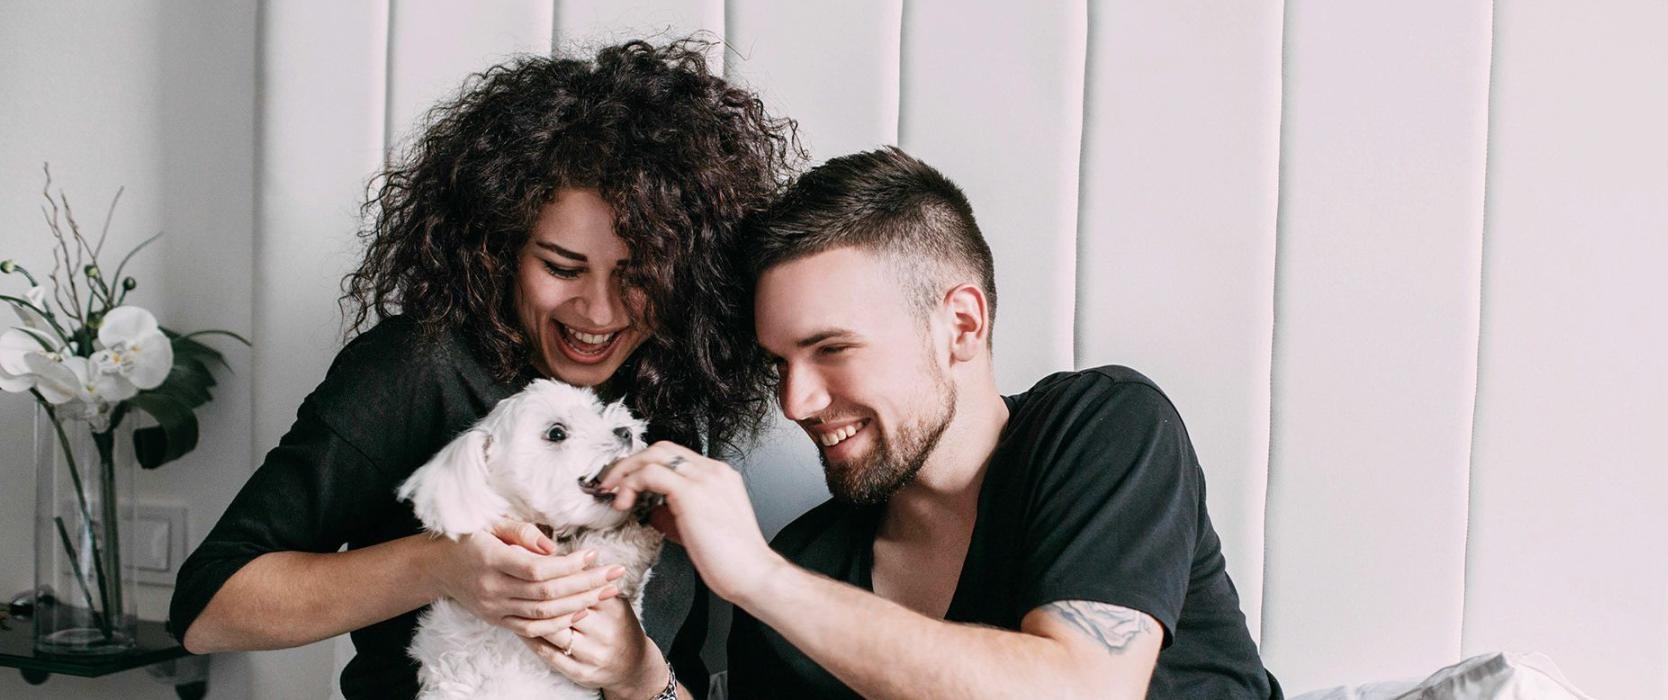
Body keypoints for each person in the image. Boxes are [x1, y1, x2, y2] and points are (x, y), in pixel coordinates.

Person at [168, 39, 799, 699]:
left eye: (639, 277)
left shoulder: (663, 403)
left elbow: (674, 677)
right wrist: (441, 568)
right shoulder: (419, 369)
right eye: (561, 266)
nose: (600, 310)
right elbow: (209, 609)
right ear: (500, 247)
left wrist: (642, 678)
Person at [595, 147, 1282, 698]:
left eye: (832, 349)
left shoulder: (1103, 426)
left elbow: (1085, 688)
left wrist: (759, 577)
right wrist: (639, 678)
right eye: (781, 363)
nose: (796, 401)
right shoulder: (809, 565)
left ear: (961, 325)